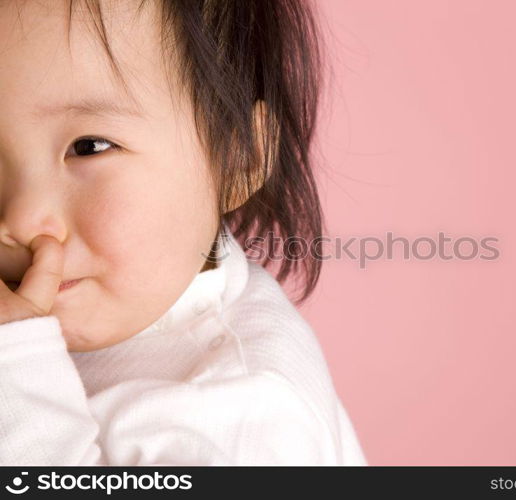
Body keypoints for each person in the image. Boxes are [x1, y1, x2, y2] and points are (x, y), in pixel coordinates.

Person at [0, 0, 366, 465]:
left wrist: (14, 376)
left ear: (238, 159)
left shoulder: (240, 418)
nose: (20, 220)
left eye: (89, 147)